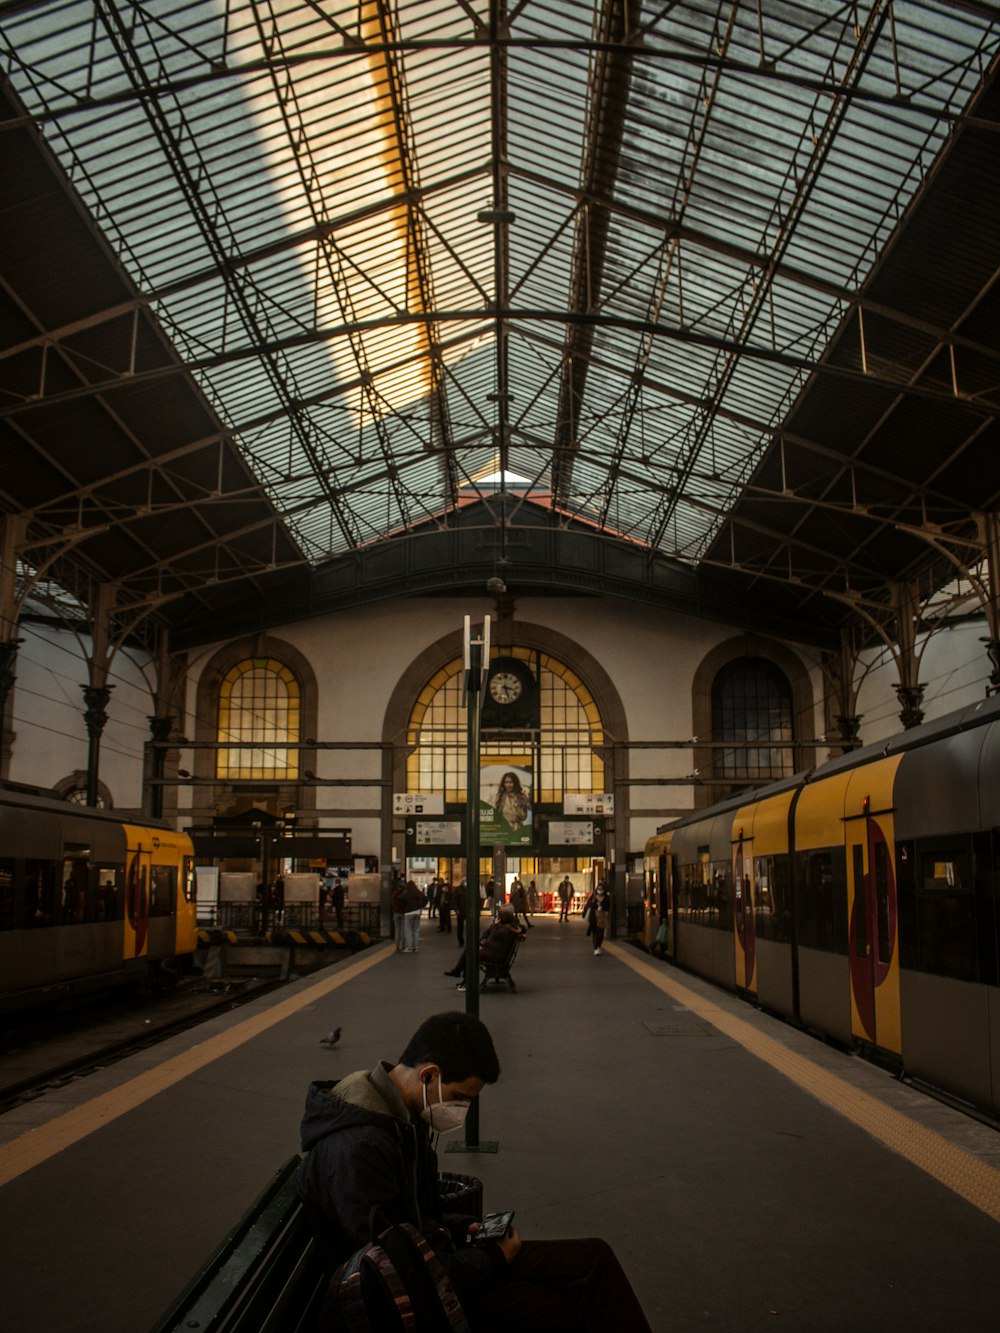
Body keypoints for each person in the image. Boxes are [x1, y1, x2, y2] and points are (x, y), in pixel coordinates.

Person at [297, 1011, 654, 1332]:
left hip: (437, 1262)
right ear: (429, 1075)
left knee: (592, 1259)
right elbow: (398, 1276)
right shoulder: (360, 1148)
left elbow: (411, 1220)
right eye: (460, 1096)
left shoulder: (398, 1115)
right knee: (555, 1309)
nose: (462, 1109)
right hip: (404, 1303)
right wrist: (493, 1259)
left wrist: (460, 1227)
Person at [444, 905, 525, 989]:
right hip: (495, 952)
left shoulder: (505, 929)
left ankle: (465, 979)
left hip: (494, 955)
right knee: (470, 950)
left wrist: (494, 925)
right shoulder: (509, 927)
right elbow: (492, 936)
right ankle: (461, 974)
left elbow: (494, 934)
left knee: (471, 953)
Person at [581, 882, 610, 955]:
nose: (600, 890)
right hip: (593, 917)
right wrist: (596, 905)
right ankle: (596, 947)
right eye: (599, 889)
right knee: (595, 932)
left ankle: (598, 946)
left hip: (602, 918)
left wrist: (602, 907)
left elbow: (608, 906)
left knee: (601, 933)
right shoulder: (593, 897)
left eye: (601, 889)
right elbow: (589, 905)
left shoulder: (606, 898)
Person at [401, 879, 427, 952]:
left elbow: (400, 899)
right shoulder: (417, 892)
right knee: (416, 930)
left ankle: (409, 947)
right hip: (417, 912)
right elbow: (425, 899)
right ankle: (416, 947)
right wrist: (421, 906)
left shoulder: (406, 892)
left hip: (408, 912)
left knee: (408, 930)